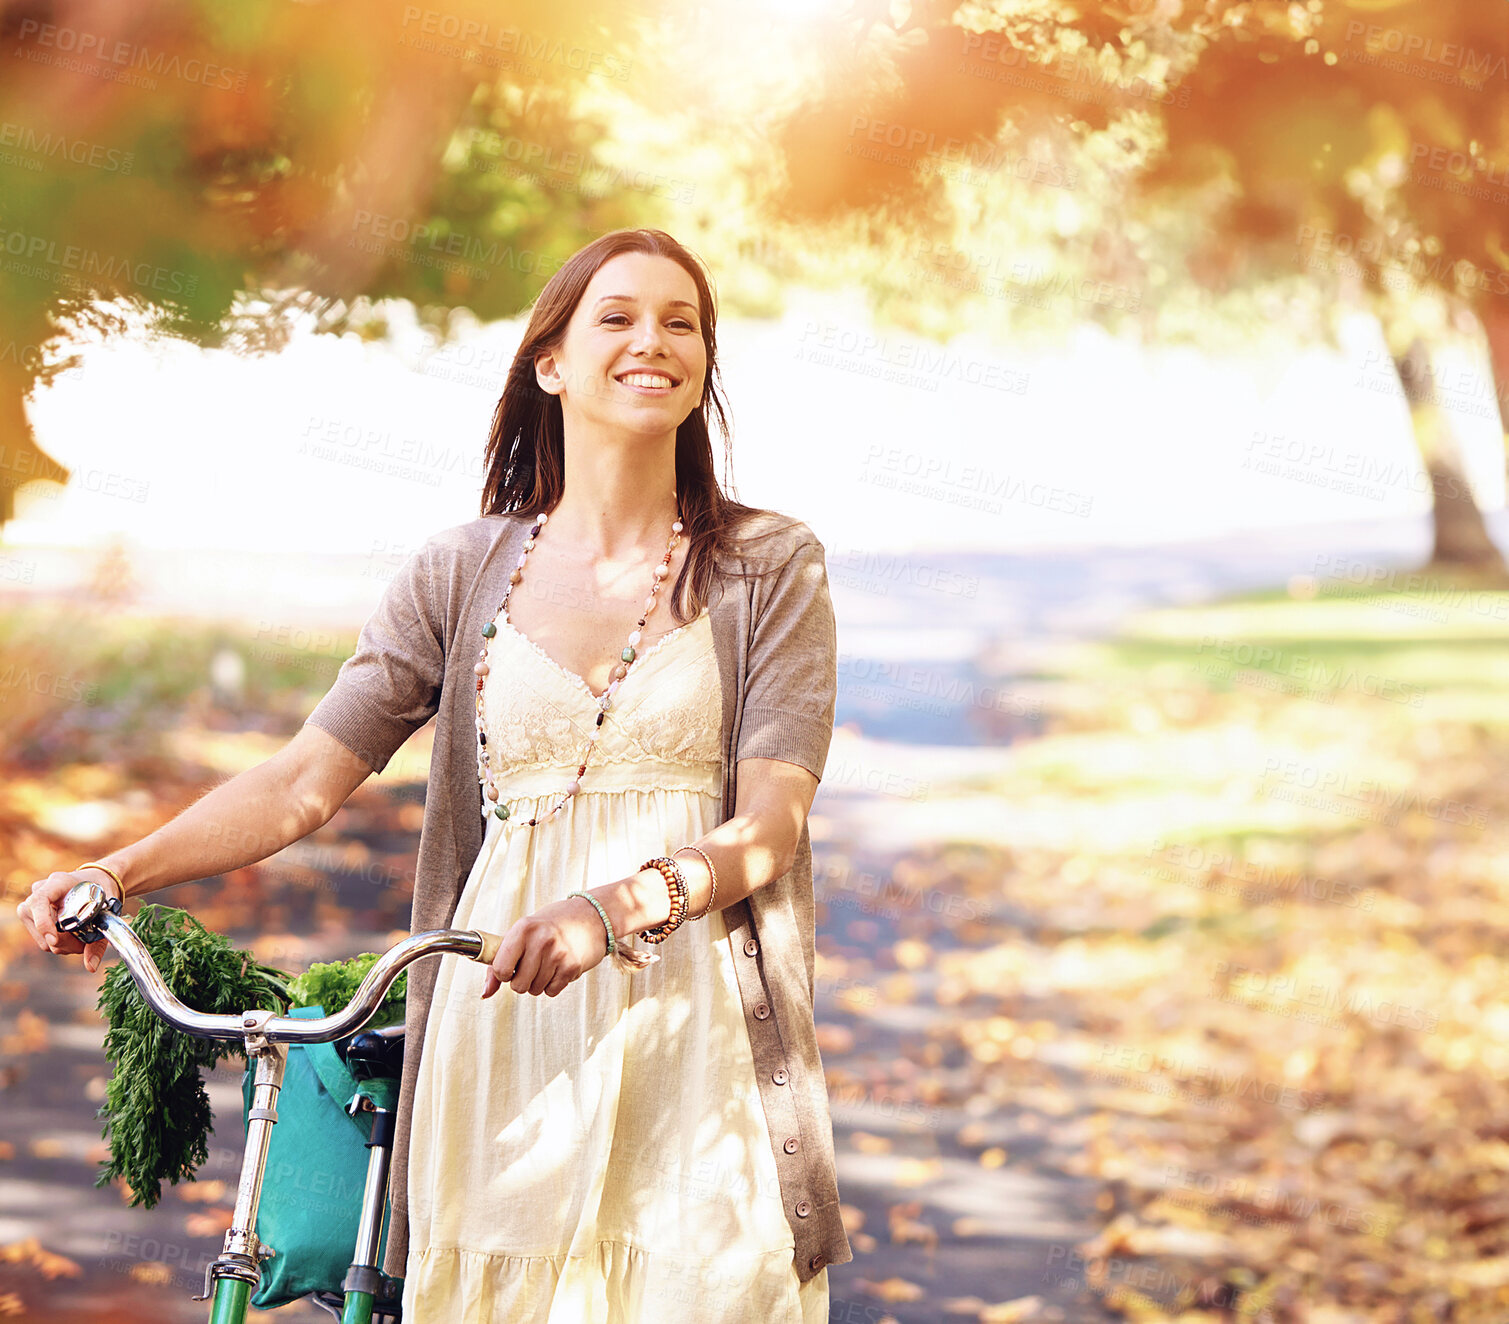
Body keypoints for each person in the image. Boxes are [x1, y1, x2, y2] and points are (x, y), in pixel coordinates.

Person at [19, 227, 853, 1320]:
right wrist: (119, 871)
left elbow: (768, 830)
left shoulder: (769, 565)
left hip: (693, 1040)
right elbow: (303, 781)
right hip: (500, 1012)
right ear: (550, 362)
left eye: (681, 321)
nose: (654, 339)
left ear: (701, 368)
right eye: (619, 316)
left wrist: (611, 909)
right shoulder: (461, 571)